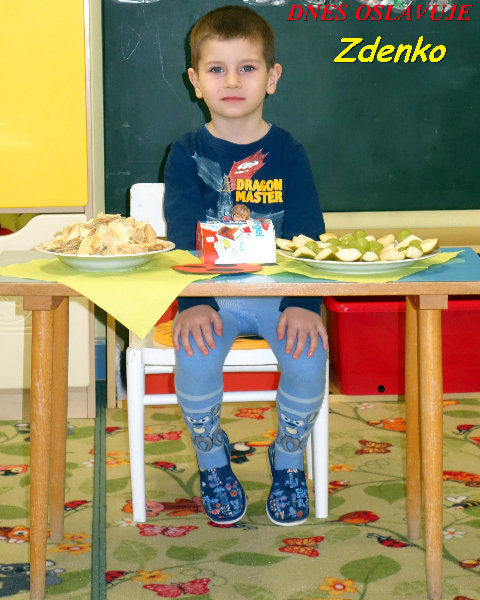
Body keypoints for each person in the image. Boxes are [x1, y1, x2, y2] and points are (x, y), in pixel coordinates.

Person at [164, 5, 328, 526]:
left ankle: (288, 460)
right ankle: (213, 461)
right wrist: (192, 303)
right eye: (217, 69)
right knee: (194, 355)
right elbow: (179, 238)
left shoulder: (289, 152)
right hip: (211, 295)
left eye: (247, 68)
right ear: (196, 81)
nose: (232, 81)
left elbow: (309, 235)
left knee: (308, 357)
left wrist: (304, 304)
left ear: (272, 77)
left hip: (280, 293)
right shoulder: (185, 153)